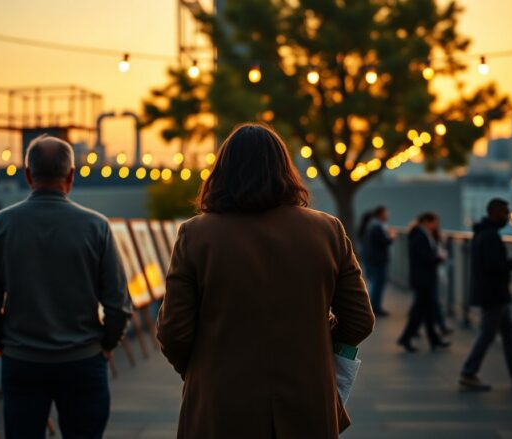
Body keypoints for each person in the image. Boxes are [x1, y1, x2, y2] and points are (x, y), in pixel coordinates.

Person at [156, 123, 375, 438]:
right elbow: (360, 320)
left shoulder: (196, 235)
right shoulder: (328, 231)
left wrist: (200, 368)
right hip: (307, 399)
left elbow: (175, 331)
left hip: (221, 403)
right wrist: (313, 342)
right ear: (286, 170)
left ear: (222, 172)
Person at [0, 135, 133, 439]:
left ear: (28, 174)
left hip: (23, 363)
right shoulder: (96, 227)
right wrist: (106, 345)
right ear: (70, 175)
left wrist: (9, 344)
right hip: (83, 362)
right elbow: (119, 306)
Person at [459, 198, 512, 390]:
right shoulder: (490, 236)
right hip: (493, 294)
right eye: (504, 212)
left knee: (508, 333)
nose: (506, 216)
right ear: (493, 213)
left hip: (493, 293)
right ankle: (469, 372)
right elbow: (493, 266)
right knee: (487, 334)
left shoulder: (482, 233)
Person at [397, 212, 451, 352]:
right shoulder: (420, 235)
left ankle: (433, 339)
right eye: (435, 222)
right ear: (427, 221)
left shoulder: (420, 233)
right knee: (420, 311)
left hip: (424, 278)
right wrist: (439, 258)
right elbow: (424, 256)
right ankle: (406, 338)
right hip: (423, 279)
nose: (437, 225)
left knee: (427, 310)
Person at [359, 206, 395, 317]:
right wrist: (392, 236)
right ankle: (375, 308)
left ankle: (373, 307)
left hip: (371, 258)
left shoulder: (371, 225)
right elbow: (384, 241)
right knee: (377, 284)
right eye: (386, 213)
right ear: (380, 214)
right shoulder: (377, 226)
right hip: (377, 260)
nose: (388, 215)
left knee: (374, 283)